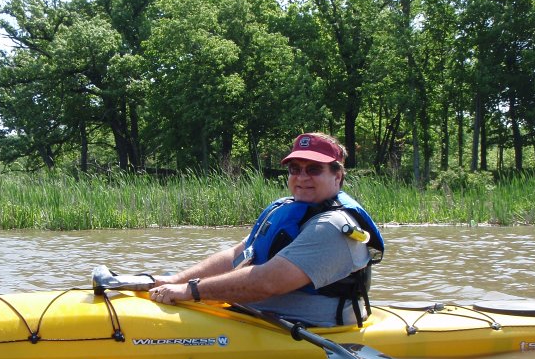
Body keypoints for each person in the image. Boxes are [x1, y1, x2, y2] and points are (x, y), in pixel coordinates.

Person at [147, 132, 384, 326]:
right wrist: (174, 280)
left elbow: (266, 282)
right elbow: (238, 255)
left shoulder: (332, 226)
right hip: (259, 317)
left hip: (304, 328)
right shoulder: (284, 207)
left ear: (337, 176)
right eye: (294, 168)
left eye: (313, 169)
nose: (302, 176)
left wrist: (190, 291)